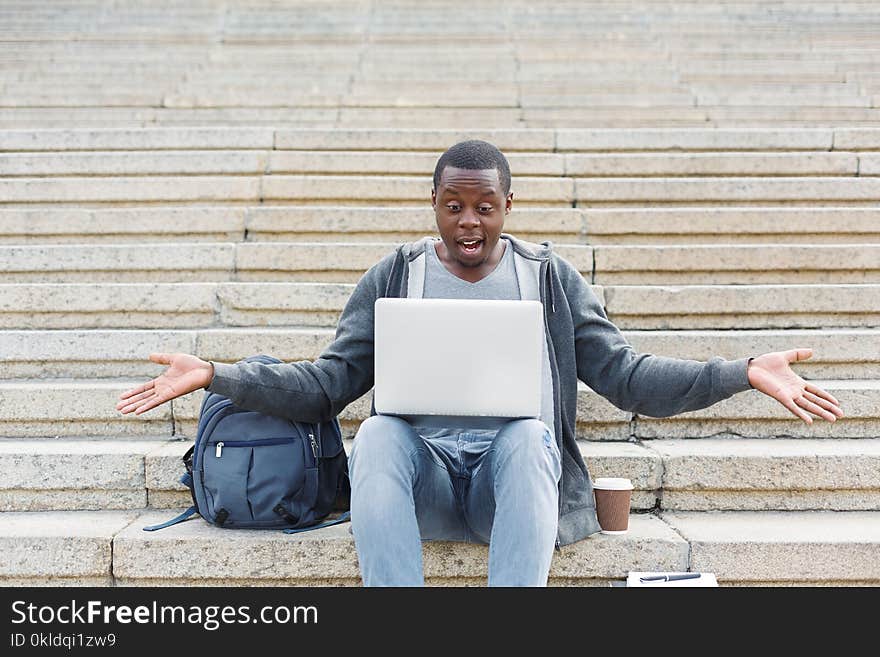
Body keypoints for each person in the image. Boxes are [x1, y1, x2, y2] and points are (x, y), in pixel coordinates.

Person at [117, 139, 844, 587]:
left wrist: (743, 369)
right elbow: (327, 382)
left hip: (512, 490)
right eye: (454, 205)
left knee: (528, 433)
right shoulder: (394, 275)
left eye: (485, 206)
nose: (469, 222)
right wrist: (221, 374)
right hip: (424, 486)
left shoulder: (550, 278)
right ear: (433, 203)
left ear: (508, 205)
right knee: (377, 432)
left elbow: (626, 375)